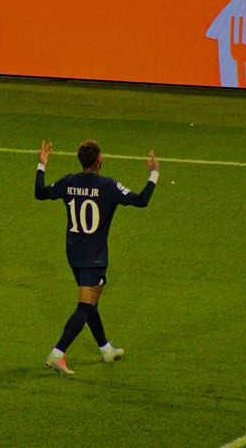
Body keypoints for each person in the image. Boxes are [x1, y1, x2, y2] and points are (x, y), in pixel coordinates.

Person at [35, 139, 160, 376]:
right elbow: (141, 200)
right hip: (95, 258)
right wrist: (153, 174)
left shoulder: (68, 182)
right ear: (99, 160)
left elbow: (40, 193)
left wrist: (42, 165)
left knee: (91, 304)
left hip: (74, 255)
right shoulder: (108, 186)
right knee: (84, 306)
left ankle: (106, 349)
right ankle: (57, 354)